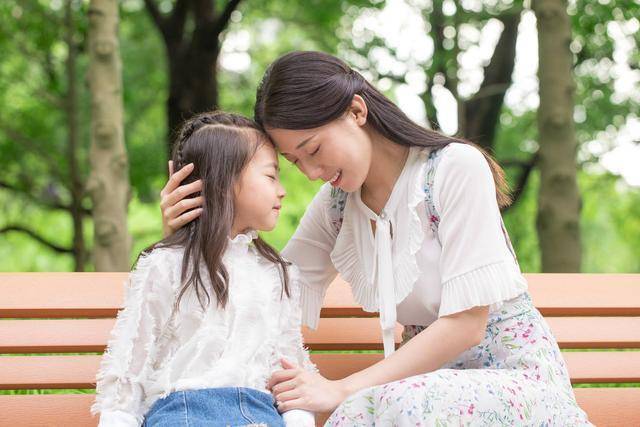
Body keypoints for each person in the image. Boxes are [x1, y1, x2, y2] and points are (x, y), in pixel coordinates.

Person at [161, 51, 592, 425]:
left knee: (381, 404)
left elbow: (467, 324)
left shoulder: (454, 169)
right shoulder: (337, 205)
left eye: (313, 150)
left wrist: (341, 388)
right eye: (294, 162)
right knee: (358, 413)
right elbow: (266, 292)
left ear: (356, 111)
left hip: (514, 384)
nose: (310, 173)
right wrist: (189, 234)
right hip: (420, 392)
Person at [91, 111, 316, 427]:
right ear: (223, 182)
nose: (282, 191)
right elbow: (128, 371)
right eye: (271, 176)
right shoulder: (165, 265)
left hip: (259, 415)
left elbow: (290, 375)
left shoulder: (275, 272)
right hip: (181, 415)